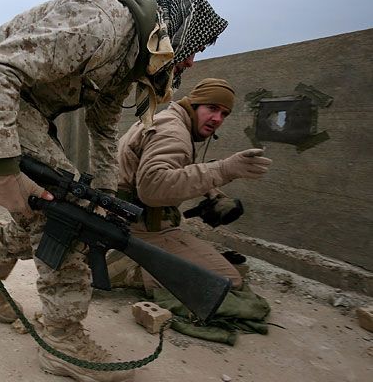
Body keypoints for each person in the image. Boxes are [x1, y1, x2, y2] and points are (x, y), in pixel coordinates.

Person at [0, 0, 228, 381]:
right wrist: (5, 171)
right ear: (175, 29)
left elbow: (104, 129)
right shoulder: (102, 25)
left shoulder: (130, 59)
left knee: (54, 204)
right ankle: (63, 340)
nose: (192, 61)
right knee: (63, 213)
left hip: (24, 106)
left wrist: (105, 199)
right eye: (194, 48)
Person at [111, 78, 273, 294]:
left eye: (224, 114)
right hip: (139, 229)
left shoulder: (170, 120)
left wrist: (213, 193)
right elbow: (152, 188)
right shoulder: (174, 132)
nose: (217, 118)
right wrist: (223, 170)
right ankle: (127, 267)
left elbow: (174, 166)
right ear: (194, 104)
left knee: (221, 267)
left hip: (128, 219)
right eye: (212, 108)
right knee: (227, 280)